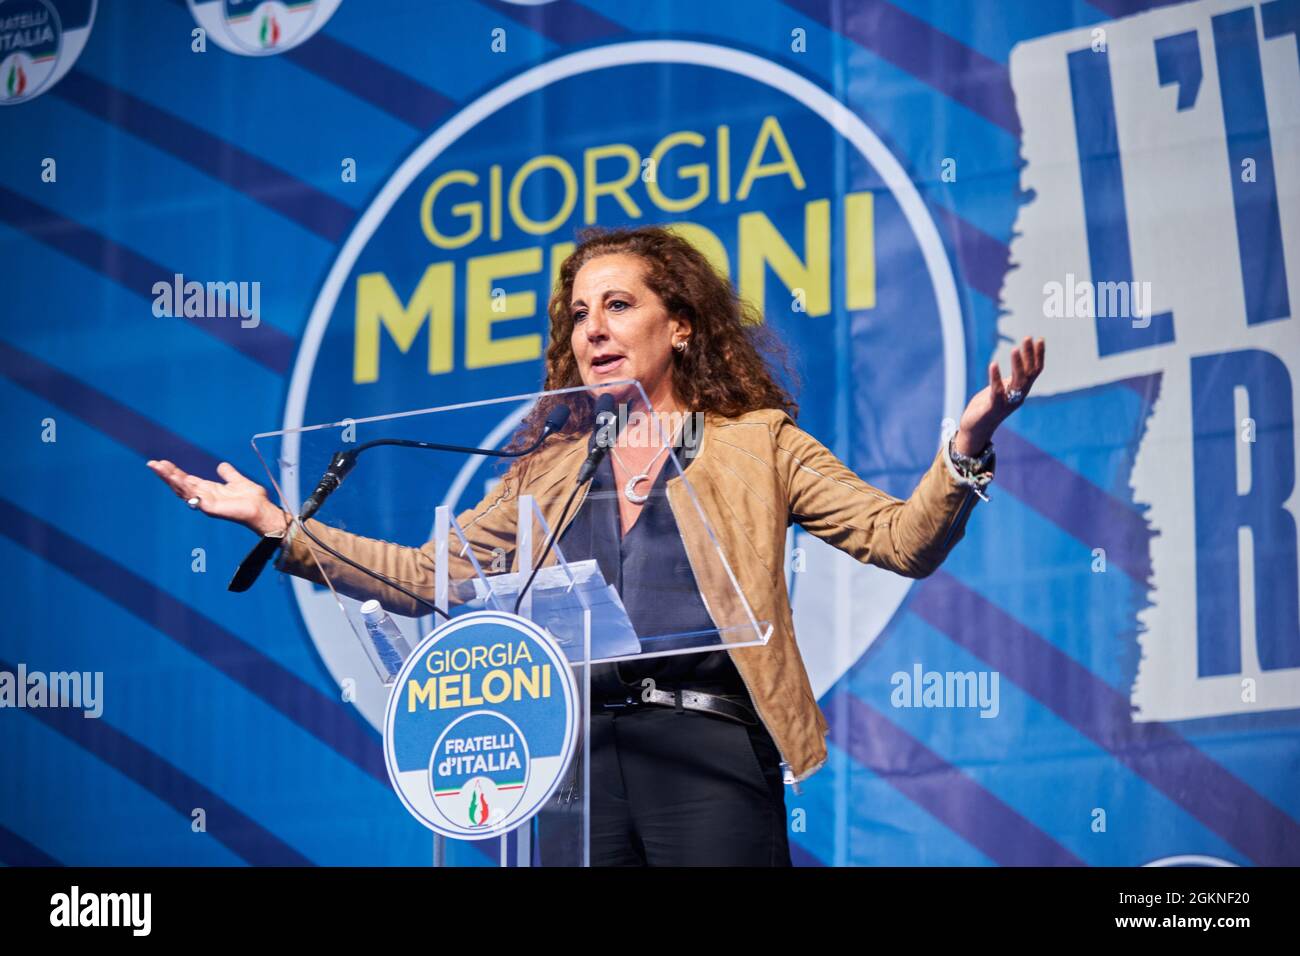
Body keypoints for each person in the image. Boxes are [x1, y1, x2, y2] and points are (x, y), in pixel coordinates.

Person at [147, 224, 1045, 866]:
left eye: (619, 305)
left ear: (680, 325)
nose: (594, 329)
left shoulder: (756, 443)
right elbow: (429, 580)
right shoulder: (551, 466)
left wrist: (964, 451)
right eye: (580, 314)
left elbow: (900, 541)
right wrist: (279, 525)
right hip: (566, 766)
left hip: (706, 750)